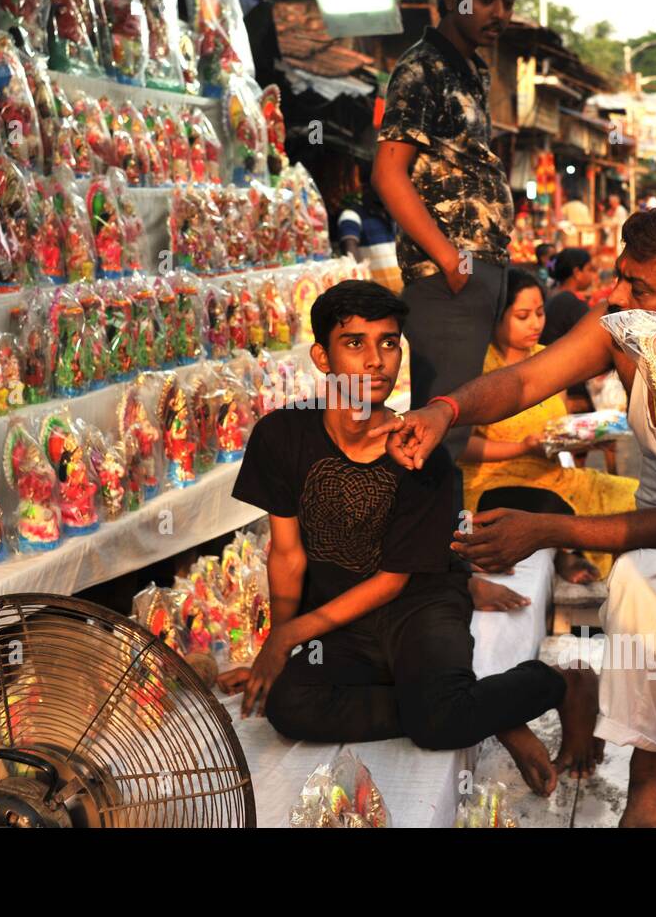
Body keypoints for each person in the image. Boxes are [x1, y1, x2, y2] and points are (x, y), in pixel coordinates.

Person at [374, 202, 656, 828]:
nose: (616, 294)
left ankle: (647, 777)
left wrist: (548, 531)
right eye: (620, 276)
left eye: (639, 286)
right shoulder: (627, 331)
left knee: (639, 583)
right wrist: (444, 409)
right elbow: (525, 382)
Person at [227, 280, 601, 796]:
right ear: (322, 356)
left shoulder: (421, 451)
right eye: (354, 342)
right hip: (342, 614)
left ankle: (561, 683)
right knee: (289, 704)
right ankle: (481, 709)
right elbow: (287, 557)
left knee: (436, 725)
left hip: (419, 602)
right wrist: (276, 646)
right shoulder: (281, 436)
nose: (376, 359)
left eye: (388, 342)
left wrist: (289, 637)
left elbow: (392, 582)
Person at [372, 0, 519, 461]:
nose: (499, 12)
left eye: (508, 1)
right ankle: (424, 538)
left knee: (452, 431)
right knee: (435, 433)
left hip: (477, 268)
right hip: (445, 274)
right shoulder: (422, 68)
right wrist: (450, 259)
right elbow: (388, 174)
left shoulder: (472, 68)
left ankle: (441, 535)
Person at [459, 268, 637, 584]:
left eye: (540, 313)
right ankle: (565, 555)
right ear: (496, 318)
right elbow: (461, 445)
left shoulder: (551, 360)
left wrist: (584, 438)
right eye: (523, 315)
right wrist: (521, 447)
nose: (536, 324)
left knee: (632, 496)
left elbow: (558, 427)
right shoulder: (477, 367)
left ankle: (628, 581)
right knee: (548, 507)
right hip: (491, 483)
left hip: (551, 473)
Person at [336, 169, 402, 293]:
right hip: (377, 298)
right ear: (365, 188)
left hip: (402, 293)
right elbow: (350, 250)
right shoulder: (352, 215)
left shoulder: (393, 214)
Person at [540, 247, 594, 347]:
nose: (592, 275)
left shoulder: (553, 293)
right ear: (577, 273)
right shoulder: (575, 305)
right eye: (590, 269)